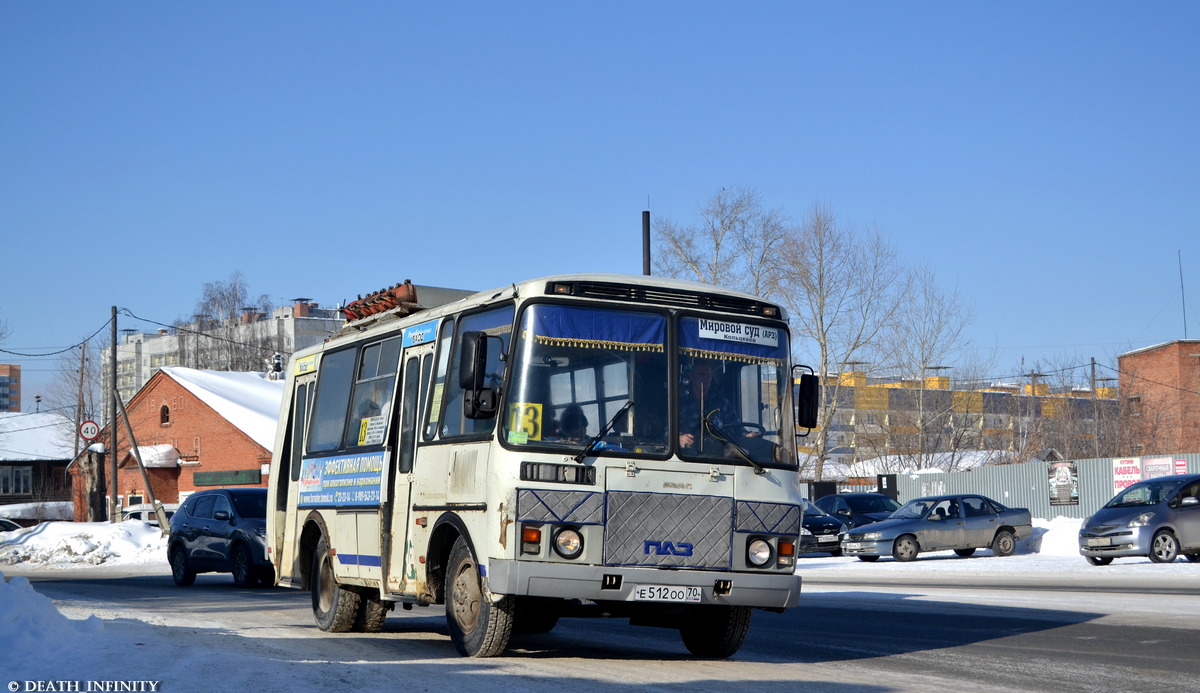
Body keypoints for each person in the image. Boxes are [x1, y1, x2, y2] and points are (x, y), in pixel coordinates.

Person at [677, 361, 736, 452]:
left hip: (721, 454)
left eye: (708, 375)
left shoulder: (722, 402)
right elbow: (667, 431)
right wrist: (679, 438)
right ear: (692, 377)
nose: (705, 379)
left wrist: (747, 435)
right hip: (690, 456)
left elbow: (737, 427)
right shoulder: (682, 403)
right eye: (701, 375)